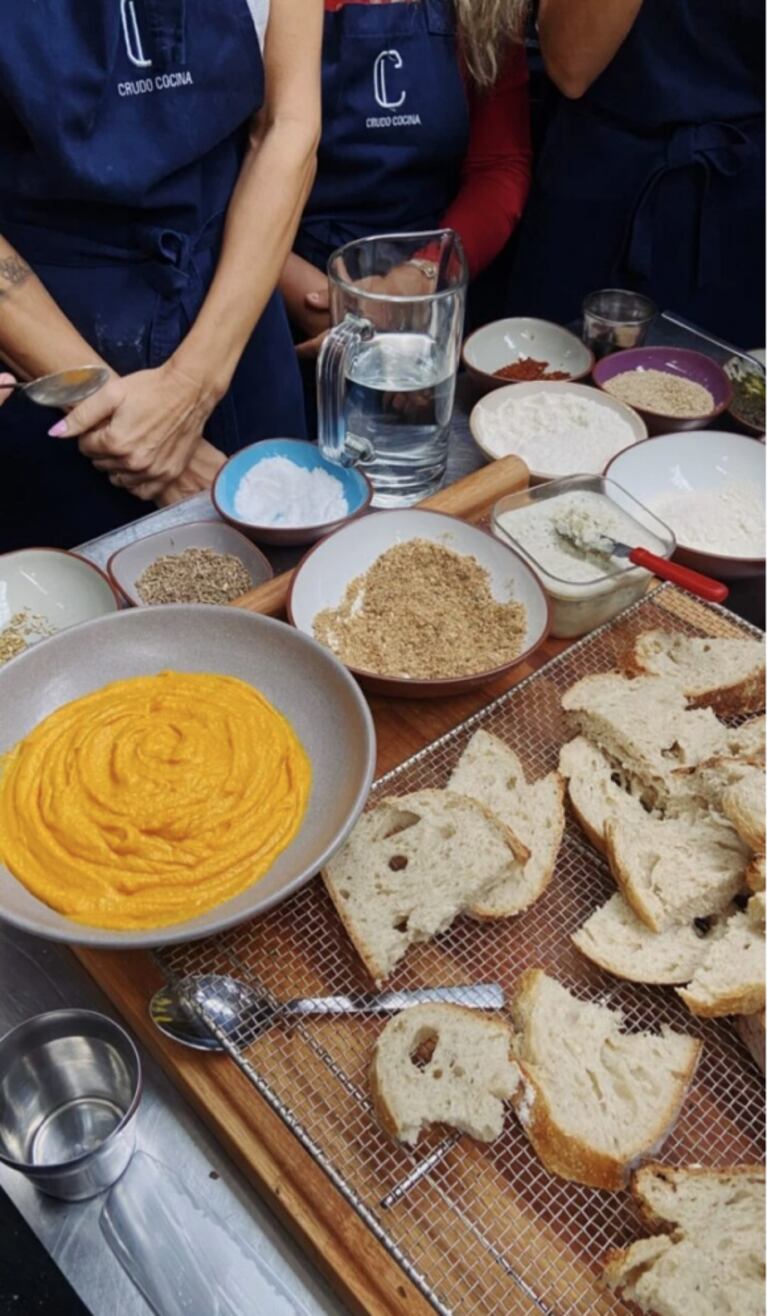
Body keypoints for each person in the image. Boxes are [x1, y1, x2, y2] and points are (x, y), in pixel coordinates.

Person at [0, 0, 323, 551]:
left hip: (235, 321)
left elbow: (285, 126)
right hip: (48, 346)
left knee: (276, 586)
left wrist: (193, 386)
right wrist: (113, 419)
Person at [281, 0, 532, 357]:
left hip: (434, 282)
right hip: (286, 280)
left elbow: (498, 166)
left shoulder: (486, 8)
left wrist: (424, 277)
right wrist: (303, 290)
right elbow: (223, 172)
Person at [506, 0, 765, 345]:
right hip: (607, 190)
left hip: (740, 199)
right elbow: (572, 65)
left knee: (739, 388)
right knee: (554, 387)